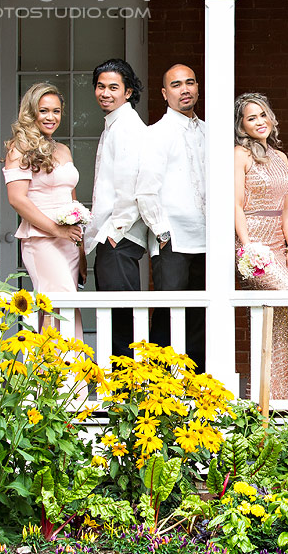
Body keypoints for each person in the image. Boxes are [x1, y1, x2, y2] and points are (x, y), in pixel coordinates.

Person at [233, 93, 288, 401]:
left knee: (281, 318)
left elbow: (286, 207)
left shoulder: (280, 157)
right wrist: (246, 247)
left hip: (279, 245)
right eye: (251, 117)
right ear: (242, 125)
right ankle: (268, 395)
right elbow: (235, 205)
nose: (260, 122)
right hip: (253, 244)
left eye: (263, 115)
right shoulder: (239, 155)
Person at [136, 64, 207, 371]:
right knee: (168, 312)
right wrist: (162, 233)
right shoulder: (156, 133)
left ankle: (196, 381)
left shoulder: (209, 132)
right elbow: (146, 189)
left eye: (190, 82)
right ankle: (159, 384)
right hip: (173, 238)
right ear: (165, 94)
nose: (185, 89)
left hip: (208, 239)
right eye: (176, 85)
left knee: (200, 314)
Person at [2, 83, 86, 332]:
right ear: (31, 112)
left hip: (68, 242)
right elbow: (17, 199)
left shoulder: (64, 150)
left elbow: (72, 200)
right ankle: (62, 367)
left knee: (62, 308)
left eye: (56, 111)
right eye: (44, 110)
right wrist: (56, 230)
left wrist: (80, 250)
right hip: (41, 239)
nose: (51, 117)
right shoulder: (20, 149)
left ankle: (63, 367)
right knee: (59, 305)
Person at [84, 58, 149, 360]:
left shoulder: (126, 127)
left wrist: (115, 230)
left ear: (128, 92)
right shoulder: (115, 124)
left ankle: (126, 392)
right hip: (113, 236)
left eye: (113, 87)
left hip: (119, 237)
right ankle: (122, 388)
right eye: (100, 86)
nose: (105, 93)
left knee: (121, 317)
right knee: (115, 314)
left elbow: (131, 183)